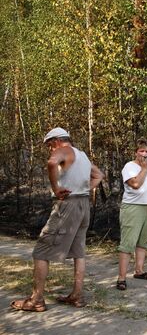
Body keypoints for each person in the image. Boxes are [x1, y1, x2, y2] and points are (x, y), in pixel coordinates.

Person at [10, 127, 104, 312]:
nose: (50, 150)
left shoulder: (62, 150)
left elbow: (52, 163)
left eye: (49, 146)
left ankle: (36, 300)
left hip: (67, 206)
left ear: (55, 141)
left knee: (41, 251)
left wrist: (56, 188)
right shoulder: (82, 155)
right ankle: (77, 296)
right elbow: (99, 175)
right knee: (79, 252)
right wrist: (84, 189)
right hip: (83, 206)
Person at [116, 138, 147, 290]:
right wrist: (143, 168)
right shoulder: (130, 166)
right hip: (133, 207)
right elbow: (135, 184)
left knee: (143, 241)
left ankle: (139, 271)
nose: (144, 154)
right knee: (128, 243)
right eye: (141, 151)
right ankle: (121, 278)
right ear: (136, 152)